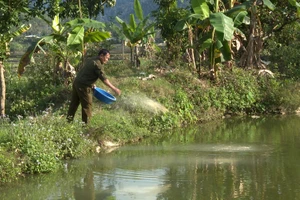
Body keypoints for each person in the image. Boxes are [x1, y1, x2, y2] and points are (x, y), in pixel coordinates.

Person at [67, 49, 121, 124]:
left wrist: (91, 83)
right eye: (107, 57)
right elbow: (104, 79)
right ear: (101, 55)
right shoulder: (98, 64)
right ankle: (86, 127)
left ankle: (68, 121)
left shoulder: (92, 59)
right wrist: (114, 89)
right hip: (84, 86)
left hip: (77, 83)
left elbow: (87, 72)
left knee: (74, 103)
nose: (107, 60)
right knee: (87, 106)